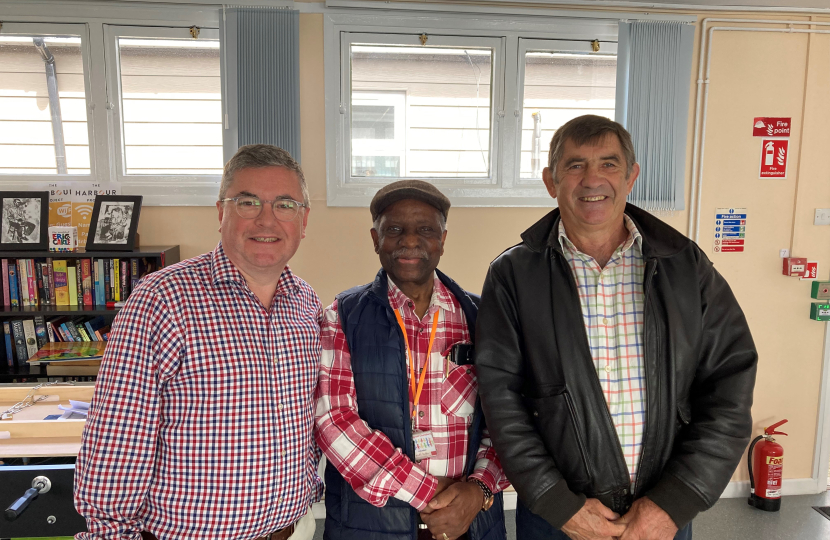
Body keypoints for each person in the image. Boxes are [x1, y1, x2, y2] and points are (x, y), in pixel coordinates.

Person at [475, 115, 758, 540]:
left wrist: (674, 502)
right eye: (574, 166)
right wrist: (556, 501)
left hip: (662, 517)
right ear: (551, 181)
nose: (592, 180)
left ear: (631, 176)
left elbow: (729, 388)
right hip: (558, 519)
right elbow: (501, 401)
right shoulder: (513, 275)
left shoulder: (686, 267)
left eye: (608, 164)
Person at [74, 145, 321, 540]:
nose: (266, 218)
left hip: (292, 531)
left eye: (285, 204)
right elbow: (116, 443)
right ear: (222, 212)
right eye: (247, 202)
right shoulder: (162, 299)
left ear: (303, 219)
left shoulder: (307, 305)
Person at [314, 180, 509, 540]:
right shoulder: (342, 316)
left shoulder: (482, 317)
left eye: (425, 230)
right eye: (394, 230)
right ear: (375, 239)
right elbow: (333, 419)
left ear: (443, 240)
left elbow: (507, 417)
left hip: (470, 523)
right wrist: (429, 492)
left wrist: (478, 490)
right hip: (372, 525)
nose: (409, 240)